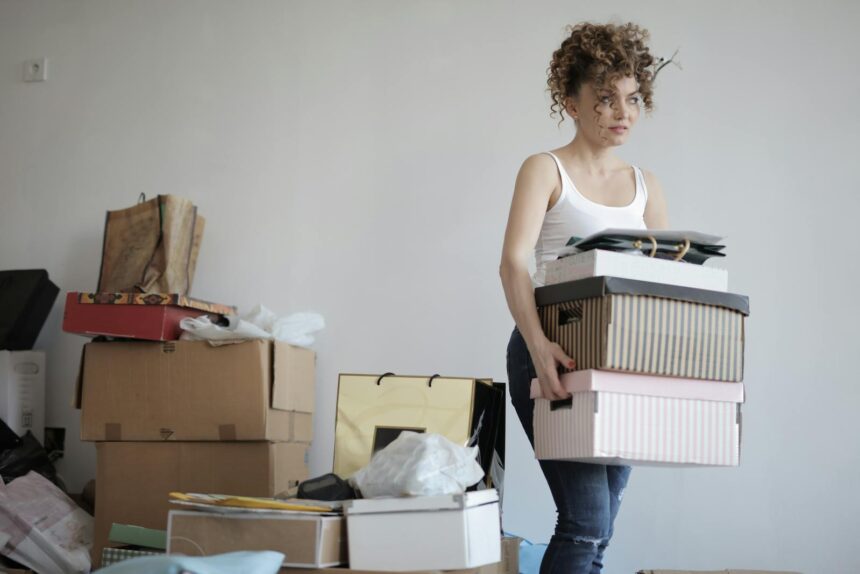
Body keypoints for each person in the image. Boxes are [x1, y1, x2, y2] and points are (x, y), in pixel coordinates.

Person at [499, 22, 669, 574]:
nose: (622, 112)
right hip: (553, 349)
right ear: (571, 103)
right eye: (604, 99)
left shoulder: (646, 185)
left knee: (601, 527)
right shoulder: (544, 169)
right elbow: (513, 264)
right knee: (586, 520)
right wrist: (539, 345)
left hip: (622, 362)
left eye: (632, 98)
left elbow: (660, 286)